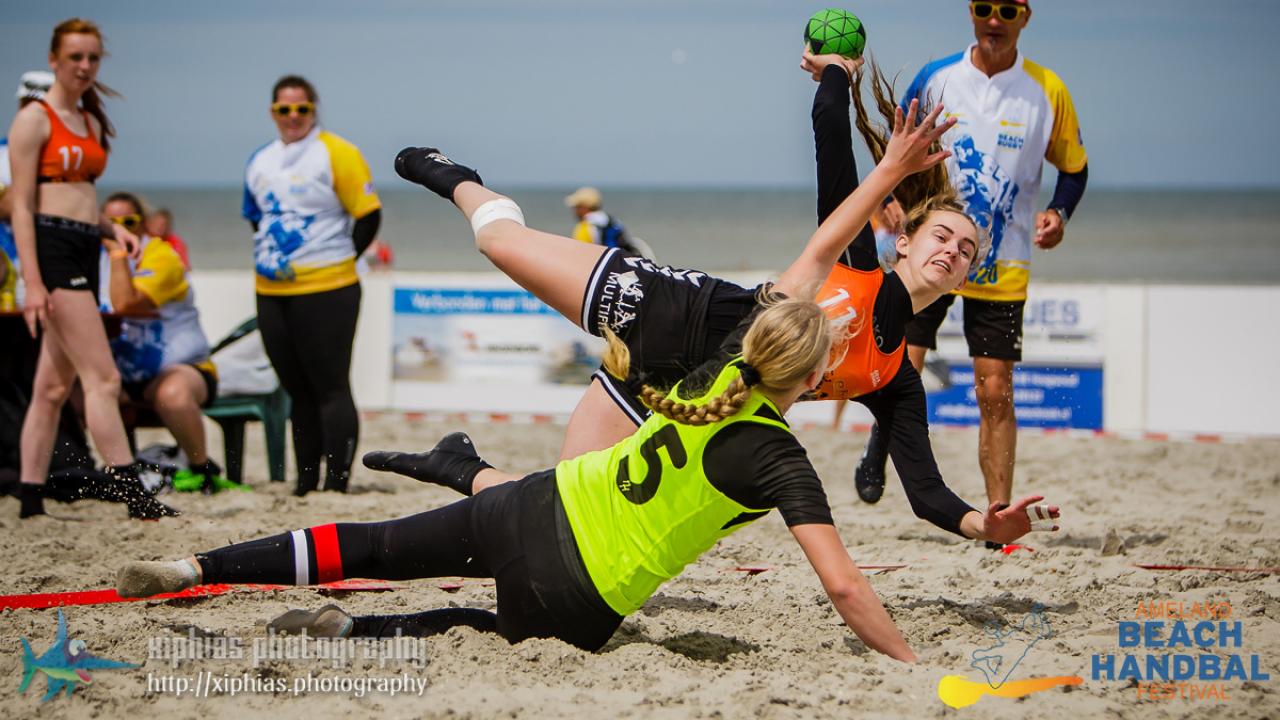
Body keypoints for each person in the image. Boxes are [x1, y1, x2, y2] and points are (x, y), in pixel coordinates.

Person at [117, 294, 1054, 657]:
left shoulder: (711, 375)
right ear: (812, 382)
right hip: (576, 591)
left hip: (534, 505)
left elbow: (787, 303)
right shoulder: (779, 455)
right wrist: (910, 665)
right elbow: (846, 586)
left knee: (366, 544)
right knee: (475, 622)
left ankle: (199, 572)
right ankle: (356, 628)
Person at [386, 74, 1059, 546]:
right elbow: (832, 136)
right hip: (671, 311)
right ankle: (456, 177)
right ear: (904, 240)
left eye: (966, 249)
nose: (952, 250)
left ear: (969, 276)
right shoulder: (855, 259)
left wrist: (982, 524)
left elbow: (927, 493)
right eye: (941, 235)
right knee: (499, 241)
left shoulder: (892, 377)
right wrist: (835, 73)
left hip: (679, 399)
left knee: (560, 512)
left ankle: (459, 466)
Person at [853, 0, 1089, 515]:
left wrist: (1059, 213)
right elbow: (896, 143)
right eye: (985, 7)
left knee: (995, 389)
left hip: (1001, 261)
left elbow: (1074, 168)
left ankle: (1000, 511)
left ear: (1025, 17)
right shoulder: (937, 78)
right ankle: (879, 445)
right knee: (901, 365)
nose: (994, 19)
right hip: (929, 253)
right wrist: (886, 201)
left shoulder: (1047, 91)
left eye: (1008, 10)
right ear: (972, 14)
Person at [6, 18, 176, 520]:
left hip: (84, 244)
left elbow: (80, 199)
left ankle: (29, 495)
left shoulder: (91, 120)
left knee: (51, 388)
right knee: (101, 380)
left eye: (92, 58)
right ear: (54, 60)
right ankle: (133, 493)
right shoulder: (34, 120)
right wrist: (31, 282)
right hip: (52, 251)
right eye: (75, 57)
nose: (84, 66)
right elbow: (22, 207)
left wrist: (111, 230)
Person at [242, 75, 382, 495]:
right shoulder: (260, 160)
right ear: (273, 113)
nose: (293, 117)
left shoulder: (336, 152)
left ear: (313, 110)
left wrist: (335, 262)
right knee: (295, 390)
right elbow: (255, 216)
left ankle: (336, 484)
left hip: (329, 288)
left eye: (301, 109)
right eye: (284, 110)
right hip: (272, 292)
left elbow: (368, 216)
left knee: (332, 386)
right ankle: (304, 483)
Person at [98, 192, 235, 493]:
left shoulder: (161, 256)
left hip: (182, 365)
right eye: (111, 222)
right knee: (81, 392)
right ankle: (109, 472)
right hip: (120, 369)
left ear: (144, 224)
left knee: (171, 393)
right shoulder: (94, 258)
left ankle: (201, 469)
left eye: (129, 221)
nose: (120, 227)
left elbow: (123, 303)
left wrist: (116, 252)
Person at [2, 72, 55, 311]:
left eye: (43, 107)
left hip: (53, 259)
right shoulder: (2, 154)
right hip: (8, 262)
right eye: (28, 105)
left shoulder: (65, 155)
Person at [564, 186, 653, 259]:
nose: (574, 211)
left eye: (576, 207)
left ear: (584, 207)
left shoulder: (585, 226)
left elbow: (579, 256)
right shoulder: (613, 221)